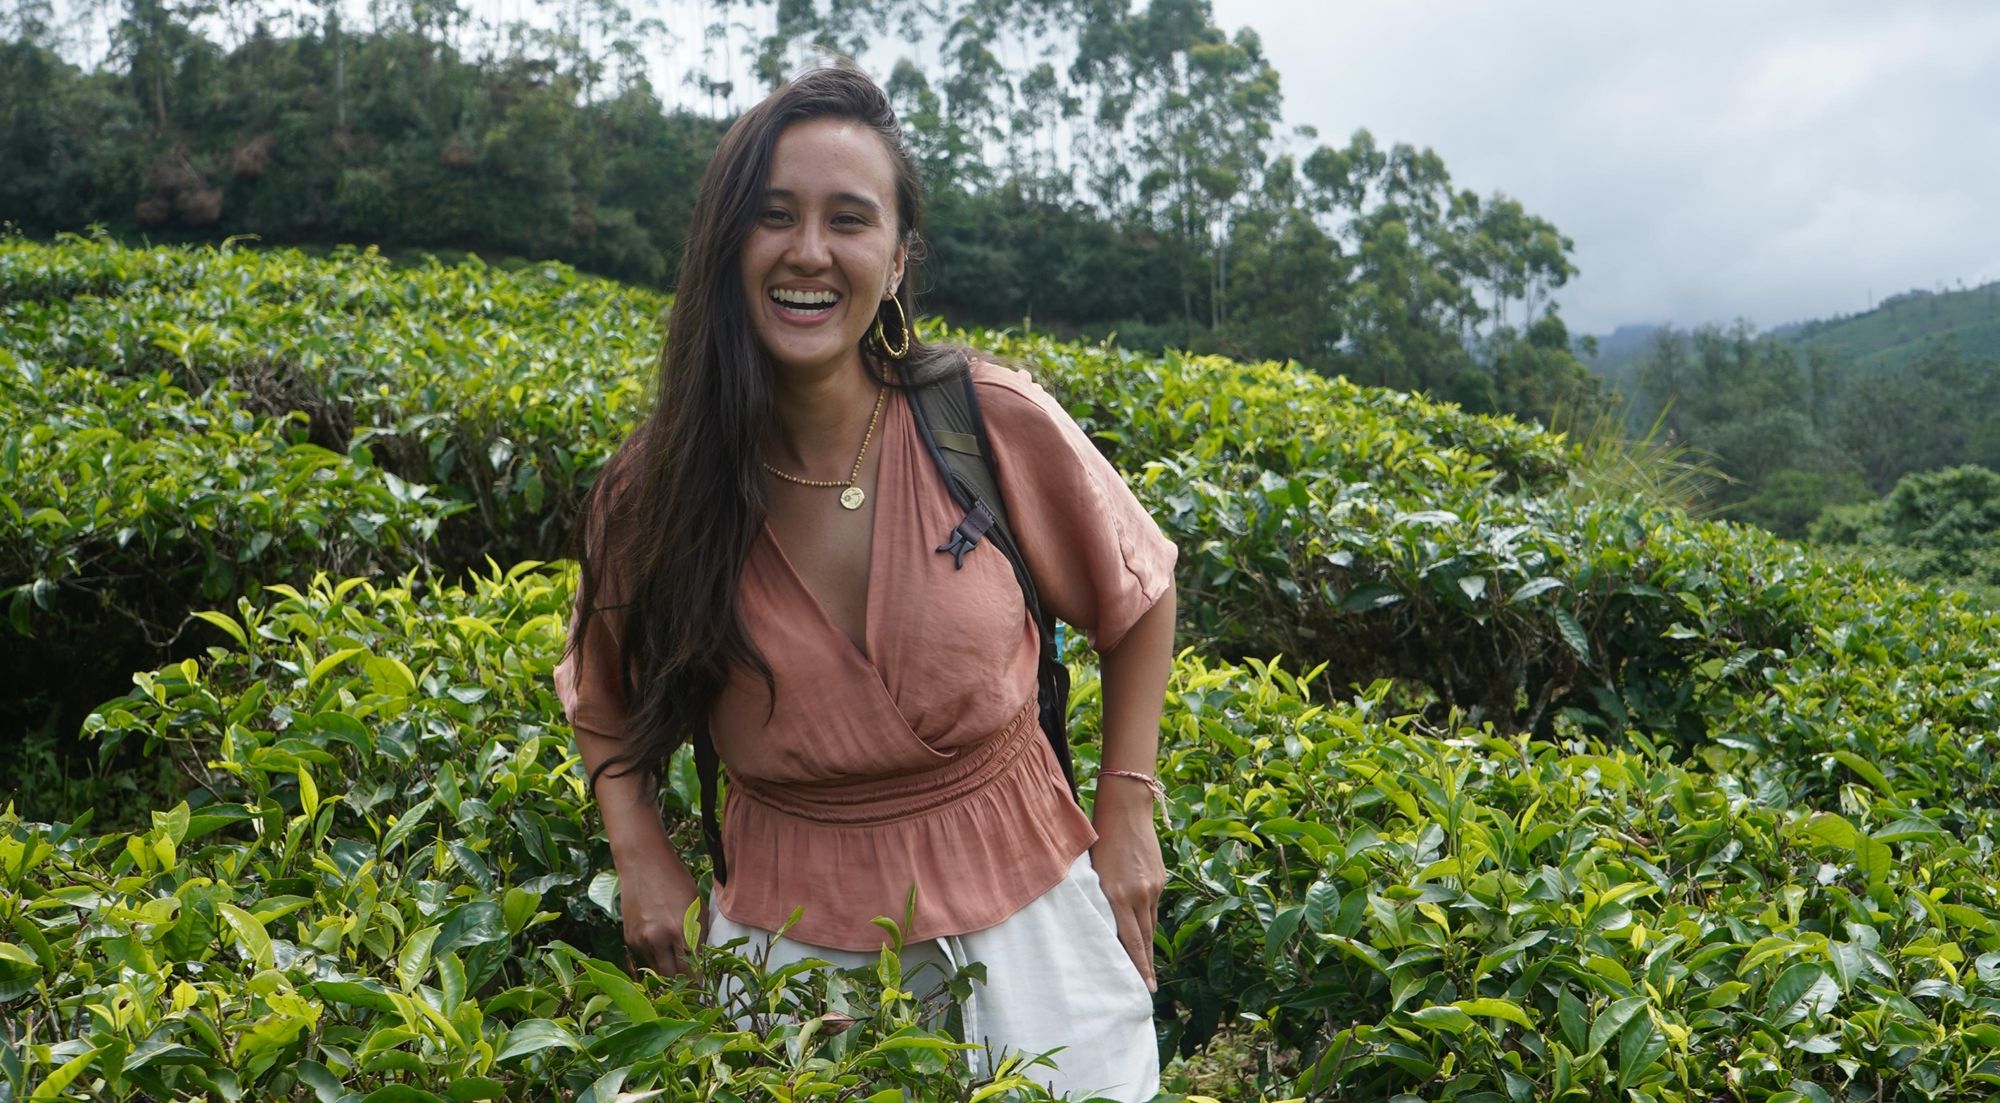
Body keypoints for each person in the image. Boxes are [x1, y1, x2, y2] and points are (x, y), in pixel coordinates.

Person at [554, 62, 1177, 1101]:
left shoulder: (985, 419)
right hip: (789, 949)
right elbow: (598, 687)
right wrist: (640, 854)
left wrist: (1127, 812)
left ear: (895, 262)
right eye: (773, 216)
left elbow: (1139, 594)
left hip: (1036, 917)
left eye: (848, 219)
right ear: (725, 247)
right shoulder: (654, 488)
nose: (808, 251)